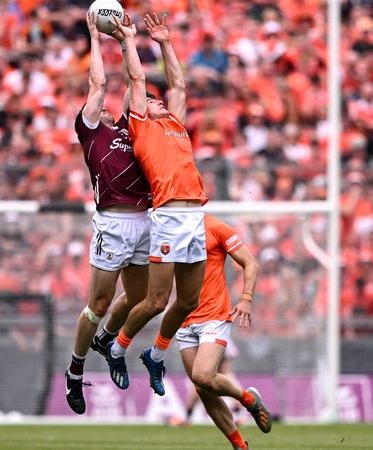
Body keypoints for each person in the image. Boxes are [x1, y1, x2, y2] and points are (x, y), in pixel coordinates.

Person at [106, 13, 208, 397]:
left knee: (189, 301)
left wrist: (165, 42)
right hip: (166, 215)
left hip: (194, 214)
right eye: (151, 100)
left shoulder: (176, 124)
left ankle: (156, 354)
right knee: (156, 300)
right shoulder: (142, 127)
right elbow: (137, 80)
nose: (158, 100)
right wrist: (129, 40)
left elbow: (178, 83)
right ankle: (117, 347)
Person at [64, 11, 153, 415]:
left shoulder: (129, 130)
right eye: (93, 106)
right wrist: (95, 35)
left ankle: (107, 339)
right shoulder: (91, 131)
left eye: (102, 108)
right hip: (114, 221)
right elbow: (99, 82)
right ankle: (75, 370)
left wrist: (128, 39)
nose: (99, 107)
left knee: (142, 297)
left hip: (144, 220)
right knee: (97, 304)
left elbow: (137, 84)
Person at [171, 214, 271, 449]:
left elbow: (250, 263)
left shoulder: (216, 228)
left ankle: (247, 399)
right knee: (202, 387)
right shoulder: (167, 228)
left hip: (214, 316)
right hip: (184, 319)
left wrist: (246, 299)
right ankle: (240, 445)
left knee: (204, 376)